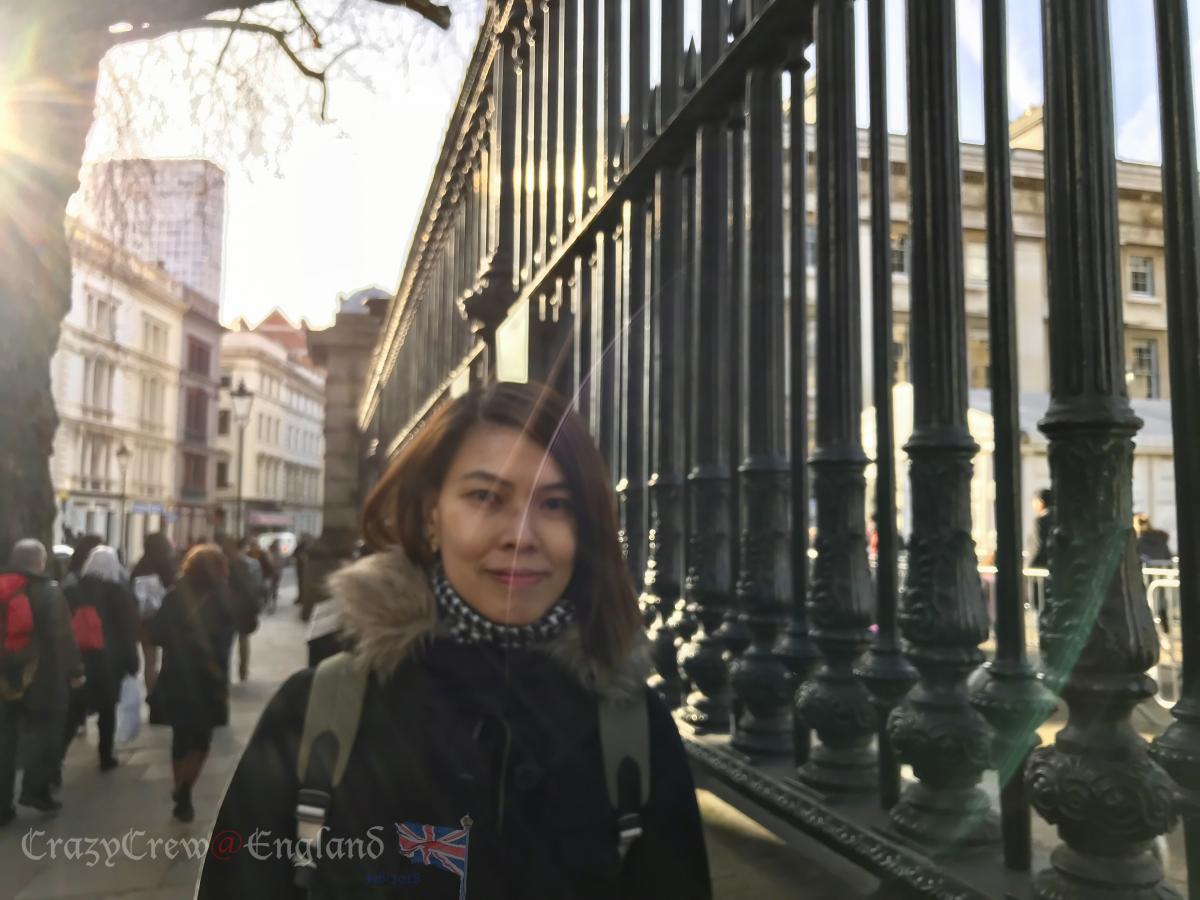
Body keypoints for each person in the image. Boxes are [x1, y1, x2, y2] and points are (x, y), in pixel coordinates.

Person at [199, 382, 711, 898]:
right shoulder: (315, 716)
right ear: (431, 515)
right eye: (485, 497)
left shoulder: (634, 733)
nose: (521, 536)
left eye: (556, 504)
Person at [147, 544, 235, 822]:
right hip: (209, 676)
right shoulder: (222, 597)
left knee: (180, 736)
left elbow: (156, 634)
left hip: (177, 673)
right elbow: (234, 631)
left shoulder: (175, 596)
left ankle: (180, 789)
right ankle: (185, 788)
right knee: (202, 739)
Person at [0, 540, 82, 823]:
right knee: (45, 731)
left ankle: (1, 805)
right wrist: (74, 670)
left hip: (3, 676)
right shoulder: (49, 592)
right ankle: (35, 790)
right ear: (40, 561)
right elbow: (62, 636)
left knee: (4, 739)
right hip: (41, 676)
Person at [62, 546, 139, 772]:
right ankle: (106, 756)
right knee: (107, 709)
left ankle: (55, 759)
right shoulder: (120, 593)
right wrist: (132, 663)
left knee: (74, 710)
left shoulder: (72, 590)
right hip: (109, 661)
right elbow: (128, 632)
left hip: (79, 658)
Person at [130, 532, 177, 695]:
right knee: (168, 660)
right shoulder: (168, 570)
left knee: (150, 662)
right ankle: (163, 694)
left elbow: (134, 599)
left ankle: (151, 694)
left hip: (146, 622)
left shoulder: (139, 569)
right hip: (167, 621)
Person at [219, 536, 260, 683]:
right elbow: (250, 586)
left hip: (228, 608)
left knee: (227, 642)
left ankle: (227, 673)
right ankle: (243, 668)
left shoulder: (221, 563)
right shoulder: (243, 563)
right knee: (243, 639)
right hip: (241, 607)